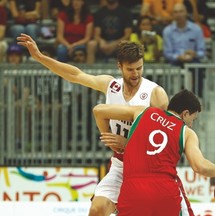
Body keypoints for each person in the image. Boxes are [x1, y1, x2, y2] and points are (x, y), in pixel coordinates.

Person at [16, 33, 170, 215]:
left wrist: (129, 145)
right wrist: (40, 57)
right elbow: (75, 75)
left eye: (139, 68)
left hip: (148, 167)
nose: (136, 74)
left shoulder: (155, 93)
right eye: (130, 69)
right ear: (119, 66)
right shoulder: (111, 86)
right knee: (97, 210)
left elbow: (164, 141)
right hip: (121, 165)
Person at [93, 89, 215, 215]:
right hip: (164, 191)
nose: (192, 124)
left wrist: (111, 141)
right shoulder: (186, 132)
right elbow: (200, 166)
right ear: (185, 113)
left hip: (134, 189)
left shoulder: (143, 112)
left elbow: (99, 110)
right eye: (193, 119)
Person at [163, 3, 206, 98]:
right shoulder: (168, 31)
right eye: (176, 12)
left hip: (193, 61)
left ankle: (198, 97)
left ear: (186, 13)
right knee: (166, 69)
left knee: (198, 68)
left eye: (181, 11)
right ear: (173, 15)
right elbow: (167, 53)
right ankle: (169, 99)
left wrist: (194, 54)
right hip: (174, 61)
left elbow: (202, 52)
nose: (178, 14)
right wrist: (178, 57)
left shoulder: (196, 29)